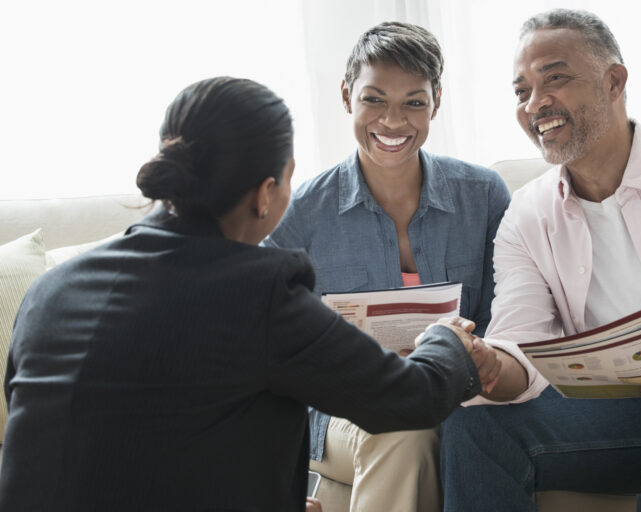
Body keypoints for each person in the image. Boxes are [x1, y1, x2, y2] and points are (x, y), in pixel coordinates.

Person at [0, 77, 490, 511]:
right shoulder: (260, 291)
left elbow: (116, 435)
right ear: (265, 193)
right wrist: (447, 338)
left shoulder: (50, 290)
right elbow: (411, 400)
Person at [440, 8, 641, 512]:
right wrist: (486, 363)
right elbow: (520, 354)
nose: (535, 103)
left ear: (614, 81)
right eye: (521, 90)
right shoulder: (526, 216)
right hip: (621, 412)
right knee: (473, 424)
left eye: (555, 78)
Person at [263, 21, 508, 512]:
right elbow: (262, 337)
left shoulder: (483, 196)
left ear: (436, 102)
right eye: (374, 99)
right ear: (346, 96)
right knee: (404, 420)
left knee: (444, 423)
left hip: (459, 394)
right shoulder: (301, 213)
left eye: (413, 102)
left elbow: (511, 314)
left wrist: (483, 353)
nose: (393, 122)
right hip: (340, 413)